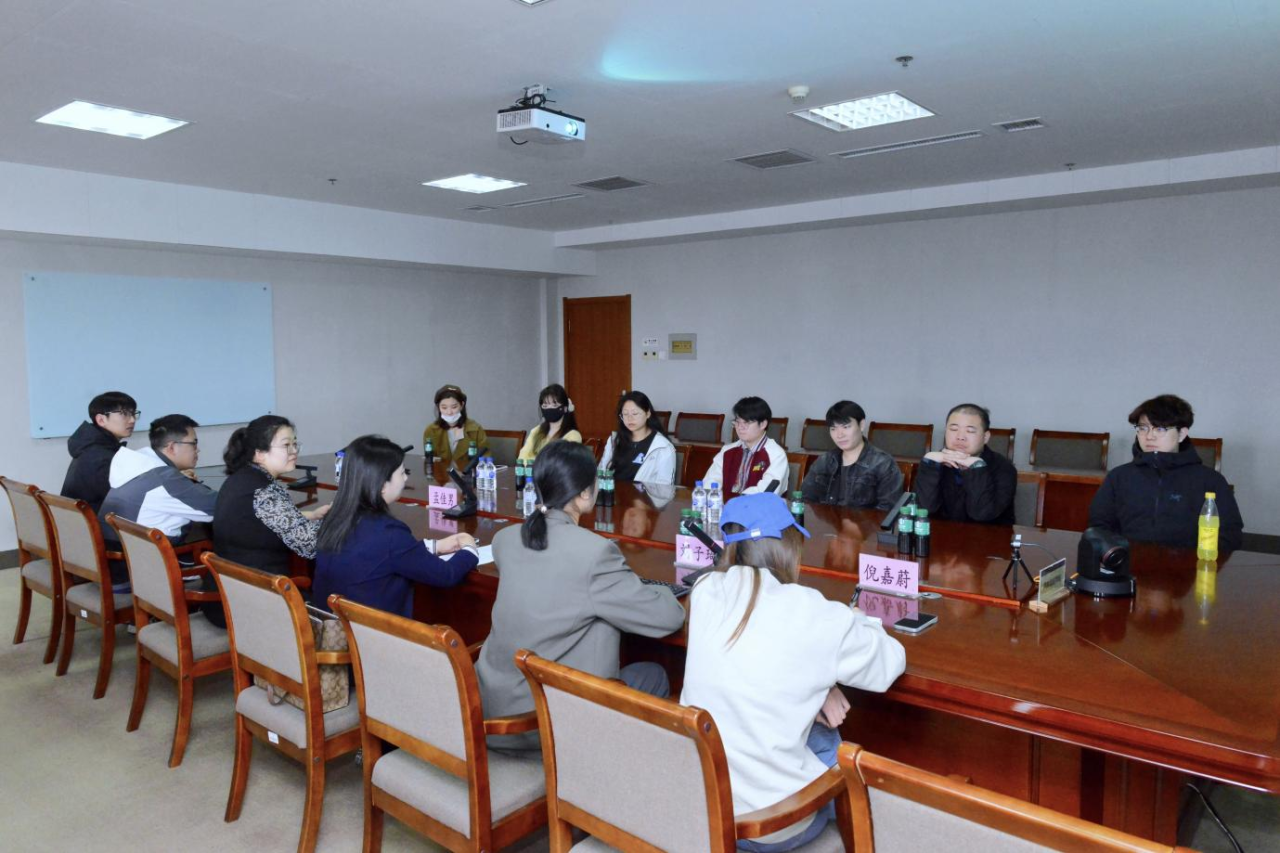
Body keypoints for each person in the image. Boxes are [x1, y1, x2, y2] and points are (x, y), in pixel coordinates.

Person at [681, 493, 906, 852]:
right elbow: (888, 665)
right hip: (769, 825)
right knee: (832, 739)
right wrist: (858, 619)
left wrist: (821, 685)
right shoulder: (811, 612)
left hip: (702, 805)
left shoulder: (705, 591)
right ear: (787, 548)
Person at [475, 441, 685, 751]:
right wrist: (659, 589)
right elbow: (667, 618)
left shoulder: (505, 539)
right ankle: (606, 770)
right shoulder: (595, 553)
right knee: (654, 675)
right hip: (541, 720)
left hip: (491, 704)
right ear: (585, 493)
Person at [313, 435, 479, 618]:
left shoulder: (334, 518)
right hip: (375, 632)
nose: (406, 478)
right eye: (402, 473)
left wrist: (434, 546)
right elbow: (447, 575)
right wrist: (469, 548)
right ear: (382, 485)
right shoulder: (389, 533)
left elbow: (381, 555)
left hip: (334, 627)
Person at [202, 415, 331, 627]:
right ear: (259, 453)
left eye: (295, 444)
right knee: (337, 612)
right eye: (286, 445)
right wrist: (341, 520)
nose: (294, 451)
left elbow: (261, 521)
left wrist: (311, 515)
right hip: (253, 605)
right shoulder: (264, 492)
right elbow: (310, 545)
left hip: (224, 596)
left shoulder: (239, 479)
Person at [1088, 394, 1242, 551]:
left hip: (1188, 564)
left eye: (1160, 429)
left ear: (1181, 434)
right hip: (1127, 561)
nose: (1149, 436)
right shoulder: (1119, 477)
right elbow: (1099, 527)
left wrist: (1190, 559)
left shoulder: (1210, 481)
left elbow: (1230, 535)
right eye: (1143, 428)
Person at [99, 414, 217, 589]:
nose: (197, 450)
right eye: (194, 443)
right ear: (172, 447)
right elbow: (215, 508)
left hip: (117, 564)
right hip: (142, 573)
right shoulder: (165, 479)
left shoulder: (137, 464)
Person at [915, 403, 1017, 524]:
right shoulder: (934, 462)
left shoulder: (1003, 468)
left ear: (985, 437)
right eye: (954, 429)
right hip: (940, 533)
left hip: (988, 534)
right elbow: (924, 510)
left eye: (970, 431)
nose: (960, 437)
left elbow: (982, 514)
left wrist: (977, 468)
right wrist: (929, 464)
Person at [800, 400, 904, 510]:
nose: (839, 435)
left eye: (846, 427)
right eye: (833, 429)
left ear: (861, 425)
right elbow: (804, 500)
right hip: (825, 521)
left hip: (865, 522)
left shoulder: (883, 464)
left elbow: (888, 511)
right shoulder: (824, 461)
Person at [61, 391, 138, 514]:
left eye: (133, 413)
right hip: (96, 523)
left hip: (81, 521)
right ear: (101, 420)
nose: (132, 420)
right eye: (124, 414)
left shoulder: (91, 447)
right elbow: (125, 501)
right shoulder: (101, 457)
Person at [704, 396, 788, 495]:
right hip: (725, 504)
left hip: (756, 505)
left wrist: (737, 500)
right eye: (737, 422)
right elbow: (710, 482)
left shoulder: (776, 455)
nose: (740, 427)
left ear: (763, 424)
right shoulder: (727, 450)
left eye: (746, 422)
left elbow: (766, 492)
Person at [599, 391, 677, 484]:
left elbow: (665, 486)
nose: (629, 418)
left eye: (635, 414)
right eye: (625, 414)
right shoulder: (615, 440)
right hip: (612, 491)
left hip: (644, 493)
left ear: (648, 413)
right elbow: (601, 471)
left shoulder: (662, 446)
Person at [421, 384, 488, 469]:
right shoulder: (431, 430)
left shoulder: (475, 429)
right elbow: (429, 460)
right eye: (444, 408)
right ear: (438, 408)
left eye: (454, 407)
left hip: (469, 475)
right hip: (441, 475)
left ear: (462, 405)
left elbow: (486, 459)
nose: (449, 412)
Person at [517, 383, 583, 460]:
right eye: (545, 406)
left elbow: (561, 462)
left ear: (565, 408)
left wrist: (534, 462)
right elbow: (522, 457)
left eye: (554, 405)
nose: (549, 409)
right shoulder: (536, 431)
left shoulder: (573, 435)